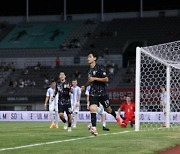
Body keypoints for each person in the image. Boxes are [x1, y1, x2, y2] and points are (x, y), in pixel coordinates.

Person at [82, 51, 122, 136]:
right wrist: (85, 86)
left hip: (102, 93)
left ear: (94, 58)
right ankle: (94, 129)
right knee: (92, 109)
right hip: (93, 93)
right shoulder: (89, 71)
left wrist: (95, 78)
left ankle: (117, 117)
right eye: (88, 57)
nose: (88, 58)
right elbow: (90, 81)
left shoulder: (99, 68)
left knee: (108, 110)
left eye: (90, 57)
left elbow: (106, 79)